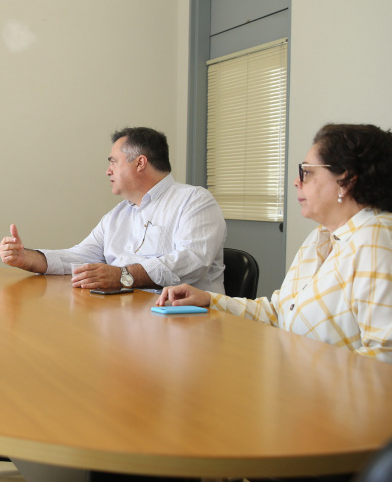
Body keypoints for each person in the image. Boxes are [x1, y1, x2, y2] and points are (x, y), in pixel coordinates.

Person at [157, 123, 392, 364]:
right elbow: (279, 313)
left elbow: (383, 359)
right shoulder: (320, 236)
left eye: (307, 172)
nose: (296, 182)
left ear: (346, 179)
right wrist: (209, 299)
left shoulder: (376, 238)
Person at [0, 127, 227, 293]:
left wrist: (123, 276)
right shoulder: (119, 214)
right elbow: (80, 256)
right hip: (131, 317)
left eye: (113, 162)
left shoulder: (194, 200)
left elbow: (193, 261)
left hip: (187, 323)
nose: (108, 171)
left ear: (140, 163)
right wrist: (27, 258)